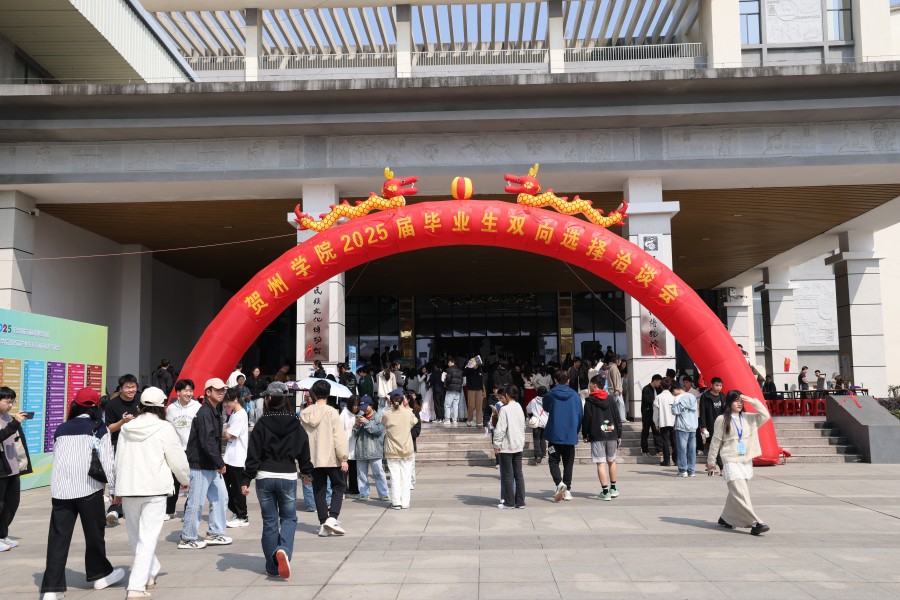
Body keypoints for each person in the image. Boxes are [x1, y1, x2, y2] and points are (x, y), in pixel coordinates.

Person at [40, 388, 124, 600]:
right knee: (95, 535)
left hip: (61, 491)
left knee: (58, 539)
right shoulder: (99, 428)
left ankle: (51, 588)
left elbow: (58, 457)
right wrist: (115, 491)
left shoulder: (61, 429)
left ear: (74, 405)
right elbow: (108, 462)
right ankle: (100, 575)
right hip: (89, 489)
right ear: (97, 407)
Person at [115, 387, 190, 597]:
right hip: (155, 488)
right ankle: (136, 586)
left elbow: (118, 459)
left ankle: (150, 572)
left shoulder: (126, 428)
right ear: (161, 406)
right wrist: (185, 480)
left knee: (136, 538)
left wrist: (116, 489)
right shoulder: (164, 427)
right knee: (147, 539)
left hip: (129, 488)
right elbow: (176, 458)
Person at [241, 382, 313, 579]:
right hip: (287, 475)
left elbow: (253, 454)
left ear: (269, 399)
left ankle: (272, 567)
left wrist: (246, 479)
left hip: (264, 476)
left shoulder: (261, 424)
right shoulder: (295, 424)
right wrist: (306, 473)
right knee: (289, 519)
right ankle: (283, 550)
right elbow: (304, 451)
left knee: (270, 522)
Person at [706, 391, 771, 536]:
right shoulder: (722, 419)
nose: (740, 403)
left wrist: (752, 400)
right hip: (730, 461)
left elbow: (765, 416)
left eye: (741, 401)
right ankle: (756, 523)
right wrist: (711, 462)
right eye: (736, 401)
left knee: (736, 492)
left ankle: (726, 518)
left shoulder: (748, 418)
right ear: (729, 402)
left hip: (745, 461)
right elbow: (716, 441)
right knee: (741, 493)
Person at [179, 378, 233, 550]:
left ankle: (215, 533)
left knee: (221, 497)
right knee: (196, 502)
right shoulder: (204, 412)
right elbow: (207, 441)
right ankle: (187, 537)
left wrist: (217, 462)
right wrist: (219, 462)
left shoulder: (213, 411)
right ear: (208, 392)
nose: (221, 392)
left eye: (223, 390)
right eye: (217, 390)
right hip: (200, 464)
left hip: (210, 464)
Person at [300, 379, 349, 537]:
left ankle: (323, 523)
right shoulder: (331, 411)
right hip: (331, 457)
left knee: (319, 490)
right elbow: (338, 436)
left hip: (313, 458)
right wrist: (344, 457)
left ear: (313, 394)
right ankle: (332, 518)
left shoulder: (304, 413)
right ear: (328, 394)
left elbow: (301, 438)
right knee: (339, 486)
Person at [104, 373, 140, 525]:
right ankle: (115, 509)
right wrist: (123, 422)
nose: (131, 390)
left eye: (133, 387)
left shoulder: (141, 401)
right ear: (120, 388)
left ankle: (130, 509)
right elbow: (109, 429)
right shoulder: (112, 405)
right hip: (119, 445)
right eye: (127, 387)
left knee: (135, 476)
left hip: (138, 445)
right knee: (119, 477)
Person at [542, 369, 583, 502]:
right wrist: (575, 431)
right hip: (569, 434)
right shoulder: (575, 396)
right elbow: (580, 415)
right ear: (568, 381)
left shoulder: (550, 394)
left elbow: (546, 408)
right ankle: (567, 490)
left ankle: (559, 483)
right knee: (568, 463)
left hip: (554, 434)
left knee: (553, 460)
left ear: (555, 380)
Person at [0, 386, 31, 551]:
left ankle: (2, 535)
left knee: (11, 504)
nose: (10, 405)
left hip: (12, 468)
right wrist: (15, 423)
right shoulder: (12, 421)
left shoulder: (9, 418)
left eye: (12, 401)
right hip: (1, 469)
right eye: (7, 401)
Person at [164, 379, 200, 519]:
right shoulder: (171, 409)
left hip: (193, 449)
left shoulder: (197, 407)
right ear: (178, 392)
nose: (188, 393)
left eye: (191, 390)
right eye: (185, 390)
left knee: (193, 481)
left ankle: (188, 511)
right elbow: (168, 428)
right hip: (177, 450)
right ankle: (169, 510)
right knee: (173, 480)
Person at [582, 375, 621, 501]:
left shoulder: (589, 401)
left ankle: (605, 492)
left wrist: (585, 434)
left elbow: (587, 419)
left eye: (590, 384)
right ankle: (613, 489)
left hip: (597, 435)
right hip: (612, 433)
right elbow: (617, 418)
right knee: (612, 461)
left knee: (600, 463)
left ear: (594, 385)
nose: (589, 386)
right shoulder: (610, 399)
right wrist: (619, 434)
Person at [382, 389, 418, 509]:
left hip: (392, 450)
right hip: (406, 449)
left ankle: (396, 502)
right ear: (402, 400)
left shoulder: (386, 414)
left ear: (391, 401)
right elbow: (414, 422)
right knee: (406, 477)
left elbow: (383, 424)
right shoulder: (409, 413)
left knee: (395, 477)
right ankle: (405, 502)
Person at [494, 385, 526, 509]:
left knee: (507, 475)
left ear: (507, 395)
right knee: (518, 475)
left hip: (507, 446)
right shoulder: (519, 407)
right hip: (518, 444)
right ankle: (520, 501)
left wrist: (496, 444)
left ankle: (509, 502)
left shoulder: (505, 409)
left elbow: (501, 429)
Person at [353, 395, 389, 501]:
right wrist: (357, 425)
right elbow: (354, 433)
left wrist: (366, 422)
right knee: (361, 474)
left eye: (365, 407)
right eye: (362, 407)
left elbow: (378, 431)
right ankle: (364, 494)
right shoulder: (360, 416)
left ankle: (384, 494)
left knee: (378, 473)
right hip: (361, 450)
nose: (363, 409)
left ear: (371, 405)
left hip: (374, 450)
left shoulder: (379, 417)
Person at [222, 389, 250, 528]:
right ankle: (236, 511)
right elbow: (227, 431)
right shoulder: (233, 414)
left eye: (228, 401)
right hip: (230, 457)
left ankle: (242, 516)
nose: (226, 404)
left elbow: (231, 435)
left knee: (238, 489)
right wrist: (226, 430)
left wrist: (225, 431)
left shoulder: (241, 414)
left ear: (236, 400)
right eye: (225, 401)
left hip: (238, 458)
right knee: (226, 487)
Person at [671, 382, 699, 477]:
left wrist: (674, 404)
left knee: (682, 449)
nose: (673, 394)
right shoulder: (692, 397)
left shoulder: (679, 398)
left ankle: (683, 470)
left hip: (682, 427)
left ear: (675, 390)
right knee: (692, 450)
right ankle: (692, 471)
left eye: (673, 392)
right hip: (693, 426)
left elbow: (675, 411)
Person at [698, 377, 726, 469]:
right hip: (710, 424)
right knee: (714, 445)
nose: (719, 387)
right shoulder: (705, 396)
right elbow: (702, 411)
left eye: (720, 385)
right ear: (712, 385)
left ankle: (712, 464)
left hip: (721, 424)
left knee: (720, 445)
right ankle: (720, 466)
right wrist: (703, 426)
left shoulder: (722, 396)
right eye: (717, 385)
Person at [652, 379, 677, 468]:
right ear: (670, 387)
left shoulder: (658, 397)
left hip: (663, 421)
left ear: (661, 386)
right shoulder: (673, 397)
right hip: (673, 422)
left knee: (665, 441)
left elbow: (656, 412)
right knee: (674, 441)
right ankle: (676, 459)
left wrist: (656, 423)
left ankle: (666, 460)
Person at [339, 397, 360, 495]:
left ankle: (354, 488)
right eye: (354, 405)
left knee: (354, 469)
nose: (356, 407)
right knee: (344, 469)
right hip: (346, 445)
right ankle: (343, 488)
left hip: (355, 445)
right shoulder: (343, 415)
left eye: (357, 405)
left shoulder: (359, 414)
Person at [640, 375, 662, 456]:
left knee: (656, 431)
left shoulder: (659, 389)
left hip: (655, 413)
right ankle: (644, 450)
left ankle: (659, 450)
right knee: (645, 431)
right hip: (647, 413)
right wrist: (656, 402)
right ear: (655, 381)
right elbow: (647, 400)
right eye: (659, 382)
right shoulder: (646, 389)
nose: (660, 384)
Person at [526, 385, 549, 464]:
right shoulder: (548, 401)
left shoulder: (533, 401)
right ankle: (543, 453)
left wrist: (532, 414)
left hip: (536, 422)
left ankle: (538, 455)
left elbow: (528, 409)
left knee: (536, 438)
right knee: (543, 438)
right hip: (545, 422)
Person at [463, 358, 485, 427]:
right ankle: (469, 420)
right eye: (474, 364)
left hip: (479, 389)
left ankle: (479, 421)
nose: (476, 365)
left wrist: (483, 390)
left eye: (477, 364)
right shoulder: (469, 369)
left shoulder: (480, 370)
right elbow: (463, 374)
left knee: (479, 406)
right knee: (471, 405)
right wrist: (467, 366)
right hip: (471, 389)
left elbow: (481, 381)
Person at [443, 357, 464, 426]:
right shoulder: (460, 371)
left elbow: (448, 379)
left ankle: (447, 420)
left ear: (452, 362)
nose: (448, 364)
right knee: (455, 405)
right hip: (458, 390)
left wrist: (446, 384)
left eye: (449, 362)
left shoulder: (449, 370)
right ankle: (455, 420)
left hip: (451, 389)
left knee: (447, 405)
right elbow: (462, 381)